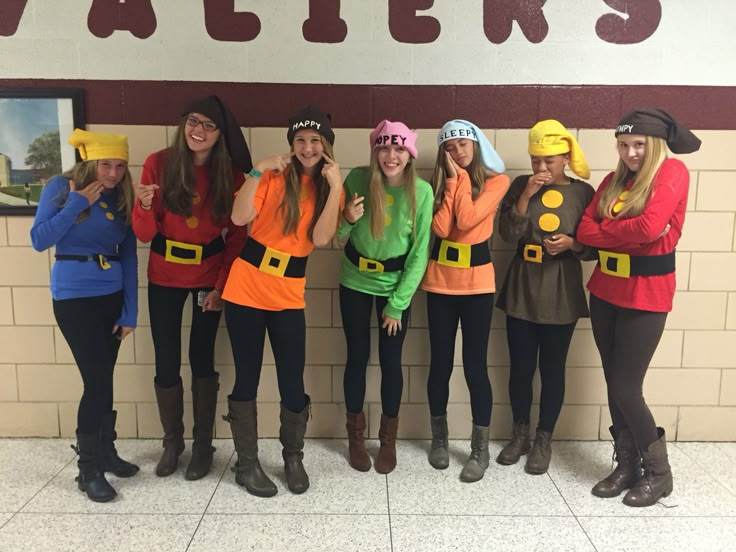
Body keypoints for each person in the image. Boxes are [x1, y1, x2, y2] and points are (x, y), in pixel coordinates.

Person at [577, 108, 701, 507]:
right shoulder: (613, 181)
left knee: (627, 387)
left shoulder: (672, 174)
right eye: (624, 145)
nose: (631, 153)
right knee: (614, 381)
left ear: (656, 144)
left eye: (639, 145)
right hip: (605, 290)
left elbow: (650, 229)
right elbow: (583, 230)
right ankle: (627, 465)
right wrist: (627, 233)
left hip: (647, 293)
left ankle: (659, 474)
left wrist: (608, 232)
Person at [221, 105, 343, 497]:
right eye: (300, 140)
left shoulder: (327, 188)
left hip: (288, 291)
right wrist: (257, 170)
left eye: (315, 141)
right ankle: (248, 463)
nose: (307, 147)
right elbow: (239, 219)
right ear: (291, 144)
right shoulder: (273, 176)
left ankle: (293, 456)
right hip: (247, 285)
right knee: (247, 376)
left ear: (325, 147)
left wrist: (337, 187)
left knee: (292, 380)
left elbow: (321, 239)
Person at [133, 95, 252, 480]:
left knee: (202, 358)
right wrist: (146, 206)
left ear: (221, 135)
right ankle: (173, 442)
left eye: (208, 125)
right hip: (164, 274)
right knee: (166, 357)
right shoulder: (159, 163)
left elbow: (236, 237)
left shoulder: (232, 175)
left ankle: (203, 445)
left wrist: (221, 286)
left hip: (208, 275)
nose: (197, 131)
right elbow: (143, 233)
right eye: (193, 122)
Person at [30, 129, 138, 502]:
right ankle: (87, 469)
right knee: (96, 381)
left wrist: (131, 310)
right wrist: (75, 204)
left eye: (120, 166)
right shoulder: (62, 187)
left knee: (103, 377)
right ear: (90, 161)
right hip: (74, 298)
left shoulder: (122, 196)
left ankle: (106, 452)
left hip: (111, 296)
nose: (113, 173)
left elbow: (128, 255)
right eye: (106, 164)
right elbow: (40, 239)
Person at [495, 120, 595, 475]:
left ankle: (543, 438)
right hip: (523, 283)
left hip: (561, 287)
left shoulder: (584, 193)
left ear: (565, 157)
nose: (541, 168)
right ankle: (519, 433)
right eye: (536, 160)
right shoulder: (521, 185)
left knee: (552, 369)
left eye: (549, 161)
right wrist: (524, 196)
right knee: (520, 368)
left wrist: (573, 243)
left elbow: (596, 247)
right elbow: (507, 233)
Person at [340, 120, 433, 474]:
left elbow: (420, 252)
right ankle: (355, 438)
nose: (390, 156)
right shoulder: (357, 180)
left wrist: (397, 304)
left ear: (409, 156)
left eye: (399, 149)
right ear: (375, 150)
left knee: (391, 362)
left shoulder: (421, 192)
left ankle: (388, 441)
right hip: (354, 281)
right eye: (384, 148)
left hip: (394, 288)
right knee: (356, 357)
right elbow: (335, 233)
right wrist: (348, 219)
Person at [421, 120, 509, 482]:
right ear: (443, 152)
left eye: (463, 144)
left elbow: (468, 218)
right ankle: (439, 439)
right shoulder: (437, 185)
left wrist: (458, 182)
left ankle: (479, 448)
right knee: (439, 364)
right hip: (440, 284)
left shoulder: (496, 182)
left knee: (475, 366)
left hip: (477, 287)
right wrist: (453, 182)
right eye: (450, 146)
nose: (458, 151)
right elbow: (442, 229)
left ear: (476, 145)